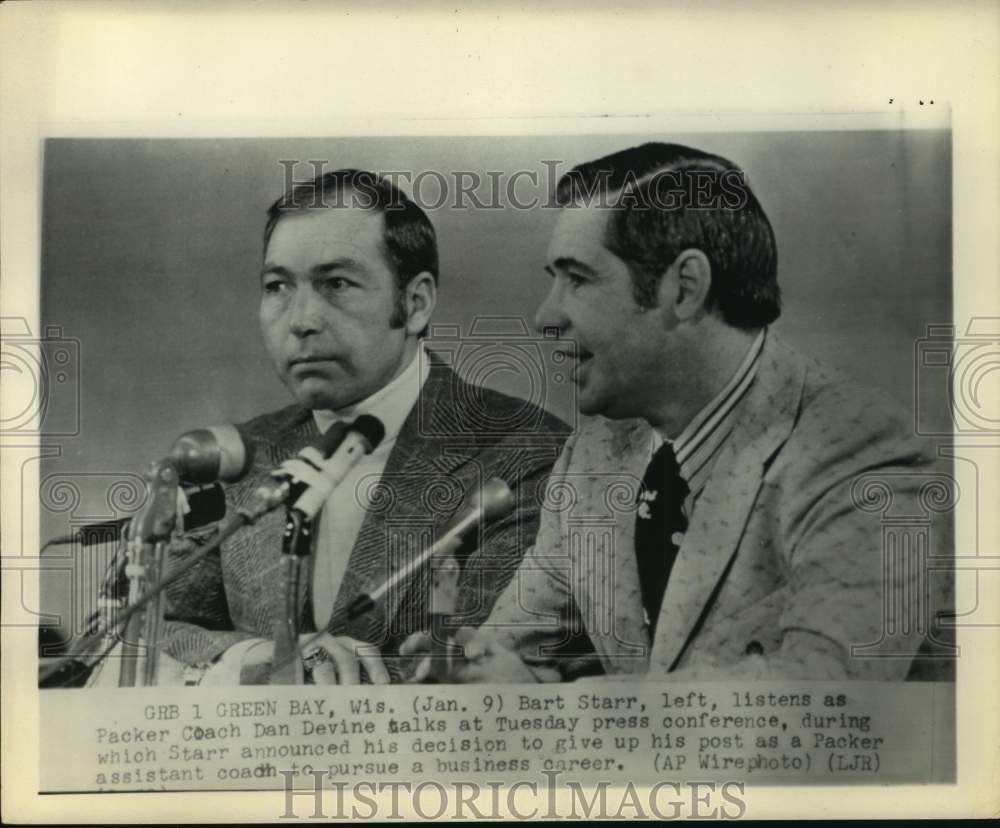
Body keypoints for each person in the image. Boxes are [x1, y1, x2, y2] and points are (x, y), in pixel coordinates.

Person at [404, 142, 953, 683]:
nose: (545, 317)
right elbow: (518, 651)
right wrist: (471, 672)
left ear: (685, 289)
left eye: (577, 278)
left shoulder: (860, 451)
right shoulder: (595, 453)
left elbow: (823, 695)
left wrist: (547, 703)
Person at [157, 169, 568, 685]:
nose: (301, 319)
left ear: (415, 304)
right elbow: (141, 628)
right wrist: (255, 658)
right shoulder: (239, 455)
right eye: (277, 286)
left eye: (336, 284)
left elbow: (478, 667)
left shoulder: (529, 454)